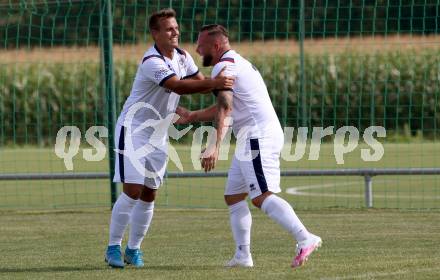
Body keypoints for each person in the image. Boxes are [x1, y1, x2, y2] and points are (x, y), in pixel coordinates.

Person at [176, 24, 322, 268]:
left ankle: (305, 237)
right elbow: (229, 105)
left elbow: (225, 107)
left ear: (216, 45)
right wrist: (192, 116)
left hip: (258, 137)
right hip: (253, 136)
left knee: (262, 196)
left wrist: (214, 145)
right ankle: (243, 256)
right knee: (233, 196)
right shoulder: (234, 62)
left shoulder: (225, 65)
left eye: (201, 44)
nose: (198, 49)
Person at [105, 10, 234, 268]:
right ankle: (112, 249)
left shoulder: (183, 56)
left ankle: (134, 250)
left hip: (158, 134)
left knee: (150, 193)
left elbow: (199, 81)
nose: (175, 32)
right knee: (132, 191)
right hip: (133, 129)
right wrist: (216, 82)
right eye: (168, 29)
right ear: (155, 33)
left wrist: (226, 97)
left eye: (176, 28)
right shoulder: (151, 61)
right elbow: (179, 86)